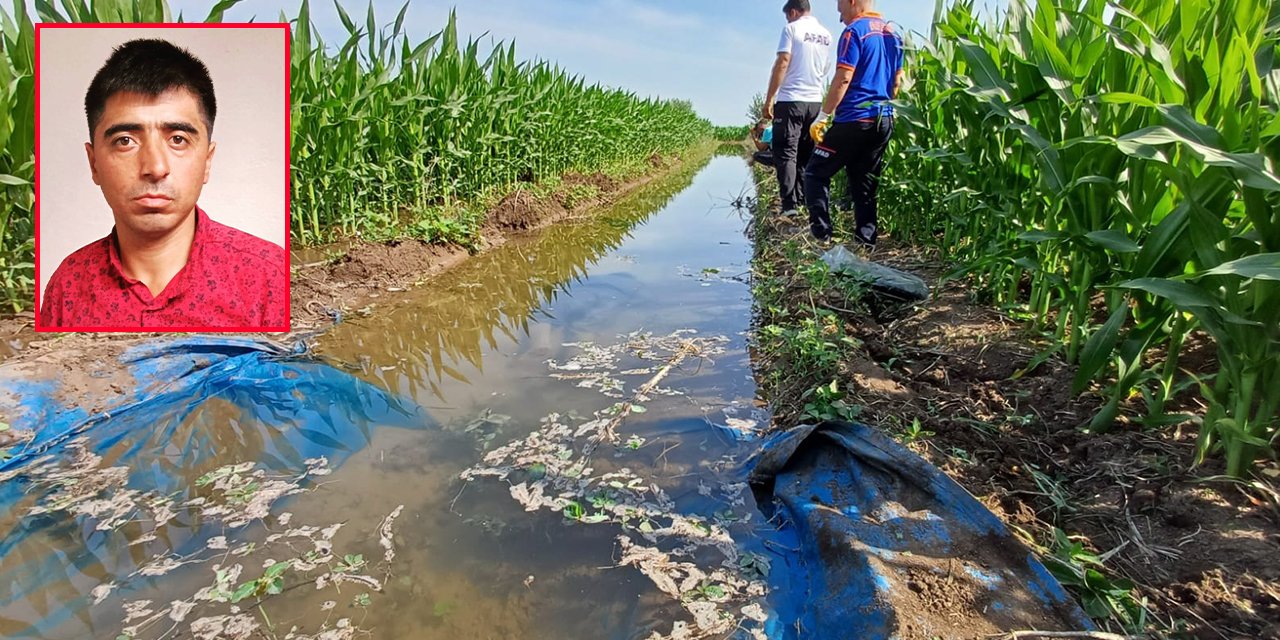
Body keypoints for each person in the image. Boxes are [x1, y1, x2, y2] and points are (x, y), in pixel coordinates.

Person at [39, 38, 287, 329]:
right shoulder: (67, 285)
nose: (155, 168)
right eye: (125, 141)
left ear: (207, 161)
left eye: (178, 140)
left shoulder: (269, 277)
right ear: (94, 163)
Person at [803, 0, 904, 245]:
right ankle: (866, 240)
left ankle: (821, 235)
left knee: (815, 173)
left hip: (854, 119)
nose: (840, 17)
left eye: (840, 9)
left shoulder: (854, 32)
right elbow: (897, 84)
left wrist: (823, 117)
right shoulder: (894, 34)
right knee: (864, 182)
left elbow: (843, 78)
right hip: (883, 120)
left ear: (852, 1)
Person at [762, 0, 832, 219]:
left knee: (785, 153)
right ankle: (804, 200)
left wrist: (770, 98)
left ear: (793, 12)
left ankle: (789, 205)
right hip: (814, 102)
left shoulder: (791, 29)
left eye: (787, 16)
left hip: (791, 100)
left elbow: (783, 62)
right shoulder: (826, 35)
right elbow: (826, 68)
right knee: (806, 154)